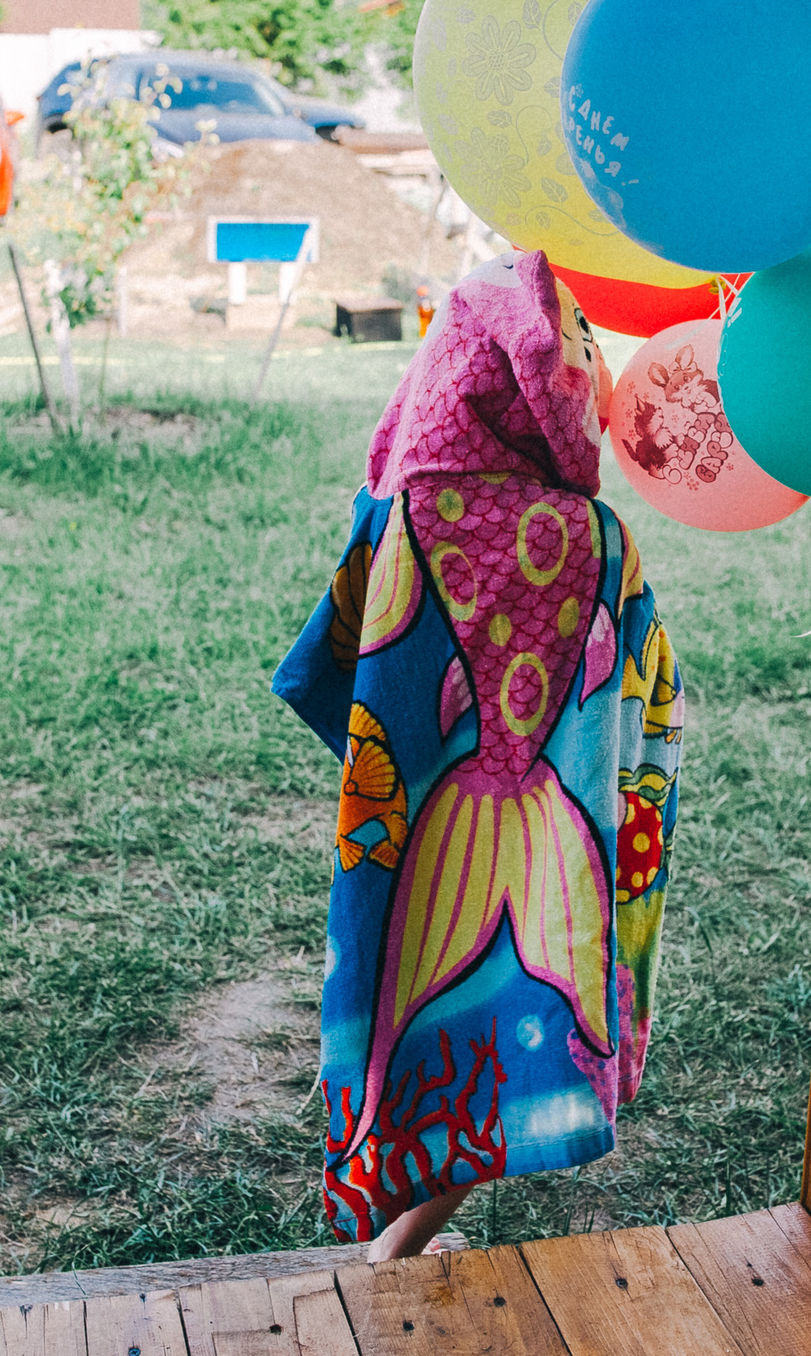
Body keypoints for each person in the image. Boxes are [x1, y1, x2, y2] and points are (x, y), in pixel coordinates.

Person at [273, 251, 684, 1261]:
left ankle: (391, 1231)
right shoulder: (597, 536)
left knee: (409, 1001)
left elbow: (322, 671)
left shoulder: (400, 518)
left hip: (415, 831)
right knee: (531, 1001)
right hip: (562, 831)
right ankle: (402, 1245)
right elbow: (649, 703)